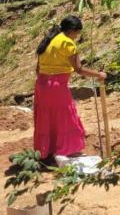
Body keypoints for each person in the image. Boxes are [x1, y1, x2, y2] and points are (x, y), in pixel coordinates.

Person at [33, 16, 106, 161]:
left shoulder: (49, 41)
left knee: (47, 118)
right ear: (72, 31)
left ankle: (46, 150)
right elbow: (78, 69)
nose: (77, 37)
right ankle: (68, 149)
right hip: (56, 87)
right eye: (77, 33)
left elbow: (38, 69)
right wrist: (99, 74)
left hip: (41, 85)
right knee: (65, 116)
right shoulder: (67, 43)